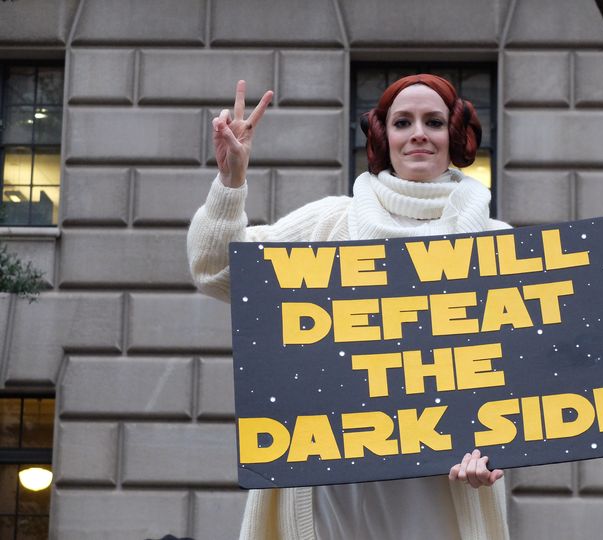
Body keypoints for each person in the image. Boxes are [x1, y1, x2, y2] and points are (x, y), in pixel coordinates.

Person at [187, 74, 510, 540]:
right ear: (384, 136)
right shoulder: (330, 223)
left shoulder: (497, 243)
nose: (418, 132)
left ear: (455, 136)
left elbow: (515, 384)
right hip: (331, 508)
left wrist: (493, 455)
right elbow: (217, 269)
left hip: (438, 506)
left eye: (433, 121)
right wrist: (230, 179)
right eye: (403, 121)